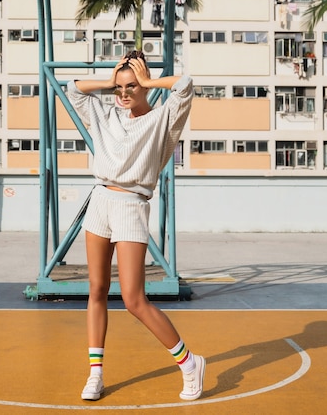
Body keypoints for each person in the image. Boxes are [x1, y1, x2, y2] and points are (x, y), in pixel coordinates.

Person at [67, 50, 205, 402]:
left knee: (133, 299)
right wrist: (113, 79)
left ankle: (190, 364)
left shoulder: (162, 119)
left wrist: (146, 80)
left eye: (132, 87)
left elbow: (185, 86)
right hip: (100, 201)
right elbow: (75, 89)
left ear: (144, 87)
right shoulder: (106, 114)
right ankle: (95, 374)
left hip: (131, 204)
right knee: (96, 290)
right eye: (120, 88)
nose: (124, 93)